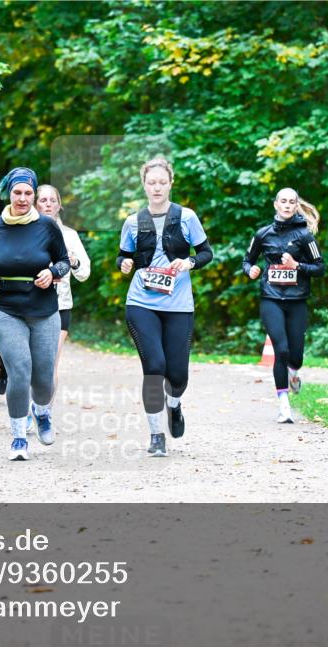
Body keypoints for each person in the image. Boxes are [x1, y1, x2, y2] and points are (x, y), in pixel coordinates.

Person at [0, 167, 70, 461]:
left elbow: (64, 263)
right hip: (5, 308)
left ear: (35, 195)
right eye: (18, 192)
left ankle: (42, 412)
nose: (23, 199)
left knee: (42, 377)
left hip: (43, 309)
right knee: (20, 369)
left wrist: (51, 272)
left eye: (29, 193)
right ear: (9, 193)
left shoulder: (47, 227)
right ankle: (17, 438)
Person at [116, 156, 213, 457]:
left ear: (171, 183)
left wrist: (190, 262)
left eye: (162, 182)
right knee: (154, 367)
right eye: (151, 182)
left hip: (179, 304)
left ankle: (174, 405)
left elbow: (207, 252)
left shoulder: (186, 217)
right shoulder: (133, 221)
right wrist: (125, 263)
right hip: (141, 302)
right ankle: (156, 434)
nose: (156, 187)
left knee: (178, 375)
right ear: (144, 185)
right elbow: (122, 256)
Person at [241, 188, 324, 424]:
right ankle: (284, 405)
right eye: (283, 201)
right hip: (271, 298)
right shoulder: (262, 234)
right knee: (282, 350)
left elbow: (320, 268)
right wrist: (251, 270)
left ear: (296, 206)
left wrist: (297, 265)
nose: (287, 205)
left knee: (295, 356)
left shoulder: (305, 236)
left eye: (291, 202)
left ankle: (294, 374)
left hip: (297, 301)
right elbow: (247, 261)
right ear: (276, 204)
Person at [36, 184, 91, 384]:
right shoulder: (22, 233)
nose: (48, 204)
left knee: (49, 365)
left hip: (60, 306)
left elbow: (84, 273)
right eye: (43, 200)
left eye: (53, 200)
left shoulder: (69, 235)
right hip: (29, 305)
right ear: (35, 205)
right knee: (29, 363)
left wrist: (74, 261)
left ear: (59, 206)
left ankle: (43, 414)